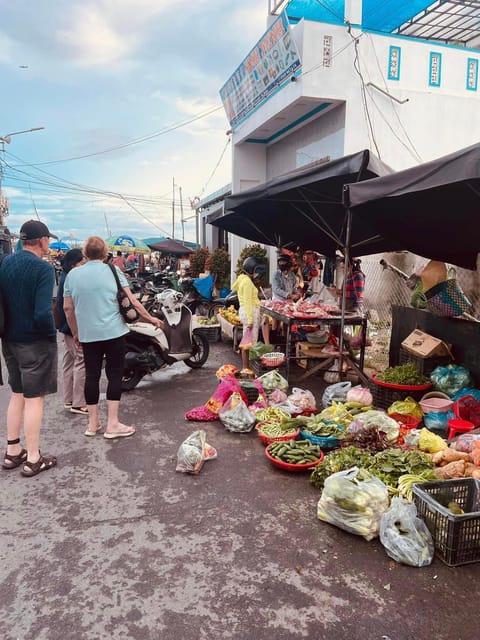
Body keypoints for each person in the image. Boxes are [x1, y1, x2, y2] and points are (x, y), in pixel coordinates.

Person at [63, 237, 163, 439]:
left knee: (92, 375)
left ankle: (92, 424)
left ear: (85, 254)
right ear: (104, 253)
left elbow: (67, 308)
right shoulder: (113, 271)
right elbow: (132, 300)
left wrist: (75, 332)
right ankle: (113, 424)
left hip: (88, 335)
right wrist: (150, 318)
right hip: (114, 333)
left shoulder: (73, 275)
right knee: (114, 375)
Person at [0, 219, 58, 477]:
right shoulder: (43, 270)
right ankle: (33, 458)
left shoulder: (6, 263)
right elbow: (43, 312)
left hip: (9, 339)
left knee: (18, 393)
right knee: (35, 399)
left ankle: (13, 450)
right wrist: (50, 336)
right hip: (34, 341)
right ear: (43, 240)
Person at [56, 248, 87, 415]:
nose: (84, 266)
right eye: (82, 263)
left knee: (68, 363)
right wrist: (76, 332)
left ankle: (68, 399)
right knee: (81, 362)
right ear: (74, 263)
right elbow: (68, 308)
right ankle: (79, 402)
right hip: (71, 327)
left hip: (64, 326)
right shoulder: (70, 279)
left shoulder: (64, 277)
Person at [232, 256, 266, 369]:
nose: (257, 273)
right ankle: (247, 368)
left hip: (249, 311)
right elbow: (247, 302)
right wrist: (251, 320)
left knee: (247, 341)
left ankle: (247, 368)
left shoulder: (242, 279)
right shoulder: (246, 282)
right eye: (256, 270)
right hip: (249, 312)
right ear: (251, 269)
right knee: (249, 343)